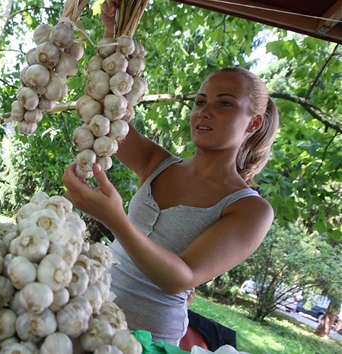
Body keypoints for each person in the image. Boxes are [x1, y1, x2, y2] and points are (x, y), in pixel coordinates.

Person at [62, 1, 280, 344]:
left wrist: (115, 219)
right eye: (200, 101)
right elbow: (102, 111)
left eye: (224, 103)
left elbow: (181, 277)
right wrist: (112, 36)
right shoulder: (156, 161)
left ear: (253, 122)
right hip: (87, 309)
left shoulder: (251, 210)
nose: (204, 112)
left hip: (147, 339)